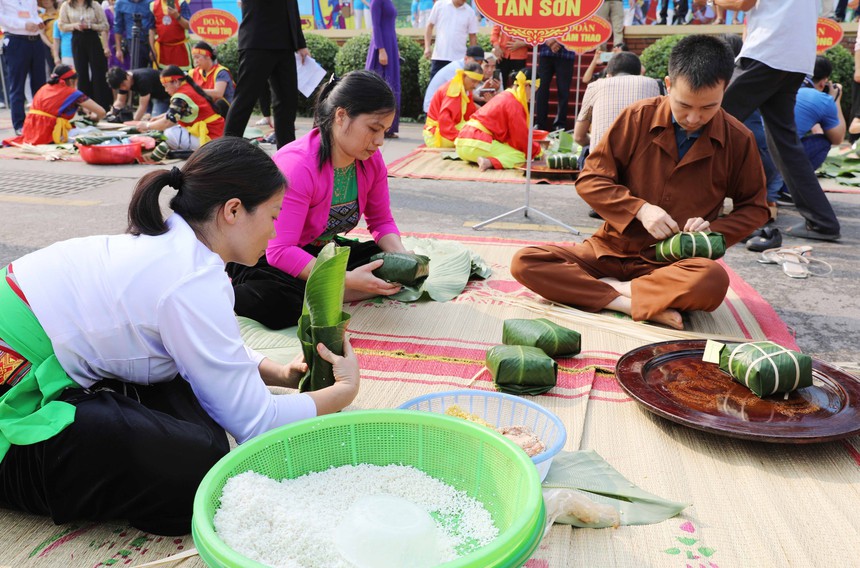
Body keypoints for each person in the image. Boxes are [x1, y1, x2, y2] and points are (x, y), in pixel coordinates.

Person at [0, 137, 361, 536]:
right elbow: (257, 422)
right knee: (197, 468)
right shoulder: (191, 279)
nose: (275, 231)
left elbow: (207, 341)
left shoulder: (179, 247)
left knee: (203, 431)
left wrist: (276, 372)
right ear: (233, 211)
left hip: (41, 352)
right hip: (13, 386)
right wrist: (342, 392)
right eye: (273, 216)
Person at [510, 35, 769, 330]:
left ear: (725, 88)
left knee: (712, 280)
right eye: (684, 105)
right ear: (668, 85)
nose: (694, 118)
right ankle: (626, 300)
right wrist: (640, 209)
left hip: (673, 264)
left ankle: (609, 290)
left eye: (708, 107)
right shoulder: (637, 117)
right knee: (526, 262)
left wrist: (712, 233)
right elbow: (591, 178)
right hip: (609, 250)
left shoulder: (738, 139)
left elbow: (755, 208)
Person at [229, 71, 407, 330]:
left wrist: (402, 257)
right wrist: (346, 279)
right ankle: (333, 290)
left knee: (389, 266)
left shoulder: (371, 160)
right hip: (262, 255)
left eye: (384, 131)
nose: (379, 141)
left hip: (319, 251)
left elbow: (381, 221)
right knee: (275, 301)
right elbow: (279, 250)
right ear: (341, 116)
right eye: (373, 129)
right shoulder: (298, 165)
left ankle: (328, 291)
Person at [718, 0, 840, 242]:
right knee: (784, 143)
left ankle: (679, 205)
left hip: (768, 49)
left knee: (704, 117)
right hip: (797, 57)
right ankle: (822, 221)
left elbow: (742, 2)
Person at [223, 0, 308, 148]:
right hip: (257, 42)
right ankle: (226, 151)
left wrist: (300, 43)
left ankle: (286, 153)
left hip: (286, 44)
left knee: (287, 102)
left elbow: (291, 6)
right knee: (245, 99)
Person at [574, 51, 662, 168]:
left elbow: (578, 137)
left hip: (602, 164)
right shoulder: (653, 84)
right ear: (638, 73)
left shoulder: (595, 86)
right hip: (641, 165)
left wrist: (598, 142)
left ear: (608, 75)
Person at [454, 70, 542, 171]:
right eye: (534, 91)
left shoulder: (504, 95)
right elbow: (520, 138)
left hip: (461, 145)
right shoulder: (513, 103)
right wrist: (538, 151)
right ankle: (489, 162)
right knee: (519, 155)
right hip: (476, 143)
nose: (533, 97)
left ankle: (485, 159)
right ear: (526, 86)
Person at [139, 65, 225, 161]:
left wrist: (147, 126)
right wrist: (159, 118)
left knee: (168, 133)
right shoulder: (187, 88)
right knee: (165, 128)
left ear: (176, 82)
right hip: (214, 131)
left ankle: (160, 154)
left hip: (210, 135)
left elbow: (168, 122)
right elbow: (176, 113)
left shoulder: (181, 96)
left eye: (166, 86)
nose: (166, 90)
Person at [21, 64, 106, 144]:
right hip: (47, 133)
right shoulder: (72, 93)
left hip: (30, 131)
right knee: (93, 131)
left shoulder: (44, 88)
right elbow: (102, 112)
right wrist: (95, 117)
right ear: (71, 81)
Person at [0, 0, 48, 136]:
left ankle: (41, 121)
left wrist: (38, 22)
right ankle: (20, 124)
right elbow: (1, 17)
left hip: (35, 40)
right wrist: (23, 25)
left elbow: (33, 14)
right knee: (17, 85)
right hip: (16, 39)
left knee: (40, 84)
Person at [57, 0, 111, 109]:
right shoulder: (66, 5)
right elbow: (61, 25)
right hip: (77, 37)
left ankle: (102, 104)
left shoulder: (94, 4)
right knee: (81, 72)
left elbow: (105, 25)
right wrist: (75, 25)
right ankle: (84, 106)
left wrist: (90, 26)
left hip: (92, 37)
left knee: (98, 71)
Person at [423, 62, 483, 148]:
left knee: (478, 131)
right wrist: (459, 138)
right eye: (473, 81)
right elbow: (444, 120)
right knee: (475, 139)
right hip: (437, 134)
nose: (475, 85)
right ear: (464, 76)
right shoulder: (453, 90)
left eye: (478, 82)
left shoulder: (465, 89)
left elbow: (469, 115)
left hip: (449, 129)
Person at [365, 0, 399, 138]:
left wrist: (395, 49)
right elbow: (376, 26)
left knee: (392, 86)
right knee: (381, 87)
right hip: (382, 46)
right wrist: (381, 49)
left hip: (390, 44)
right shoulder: (377, 1)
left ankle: (388, 127)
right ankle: (375, 127)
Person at [423, 0, 478, 82]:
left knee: (457, 87)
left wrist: (472, 57)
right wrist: (427, 47)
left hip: (459, 60)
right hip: (440, 57)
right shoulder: (439, 5)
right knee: (436, 86)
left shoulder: (470, 12)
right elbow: (429, 26)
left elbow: (472, 36)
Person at [422, 45, 484, 114]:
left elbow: (467, 95)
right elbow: (462, 97)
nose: (478, 64)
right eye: (476, 61)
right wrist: (485, 111)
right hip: (434, 110)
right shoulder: (457, 70)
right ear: (466, 58)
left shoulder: (464, 69)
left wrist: (481, 100)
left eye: (481, 62)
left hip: (441, 107)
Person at [535, 38, 576, 132]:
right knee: (541, 88)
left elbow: (574, 29)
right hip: (545, 51)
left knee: (563, 90)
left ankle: (560, 124)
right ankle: (540, 123)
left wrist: (558, 41)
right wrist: (547, 40)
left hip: (566, 52)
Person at [147, 0, 191, 70]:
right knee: (163, 75)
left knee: (182, 75)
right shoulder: (153, 5)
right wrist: (152, 49)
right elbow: (152, 29)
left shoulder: (181, 3)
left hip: (180, 49)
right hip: (162, 50)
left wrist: (177, 16)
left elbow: (189, 26)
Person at [113, 0, 153, 69]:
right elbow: (118, 27)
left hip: (152, 42)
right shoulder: (120, 3)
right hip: (133, 43)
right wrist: (118, 49)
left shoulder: (152, 2)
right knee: (136, 70)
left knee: (155, 70)